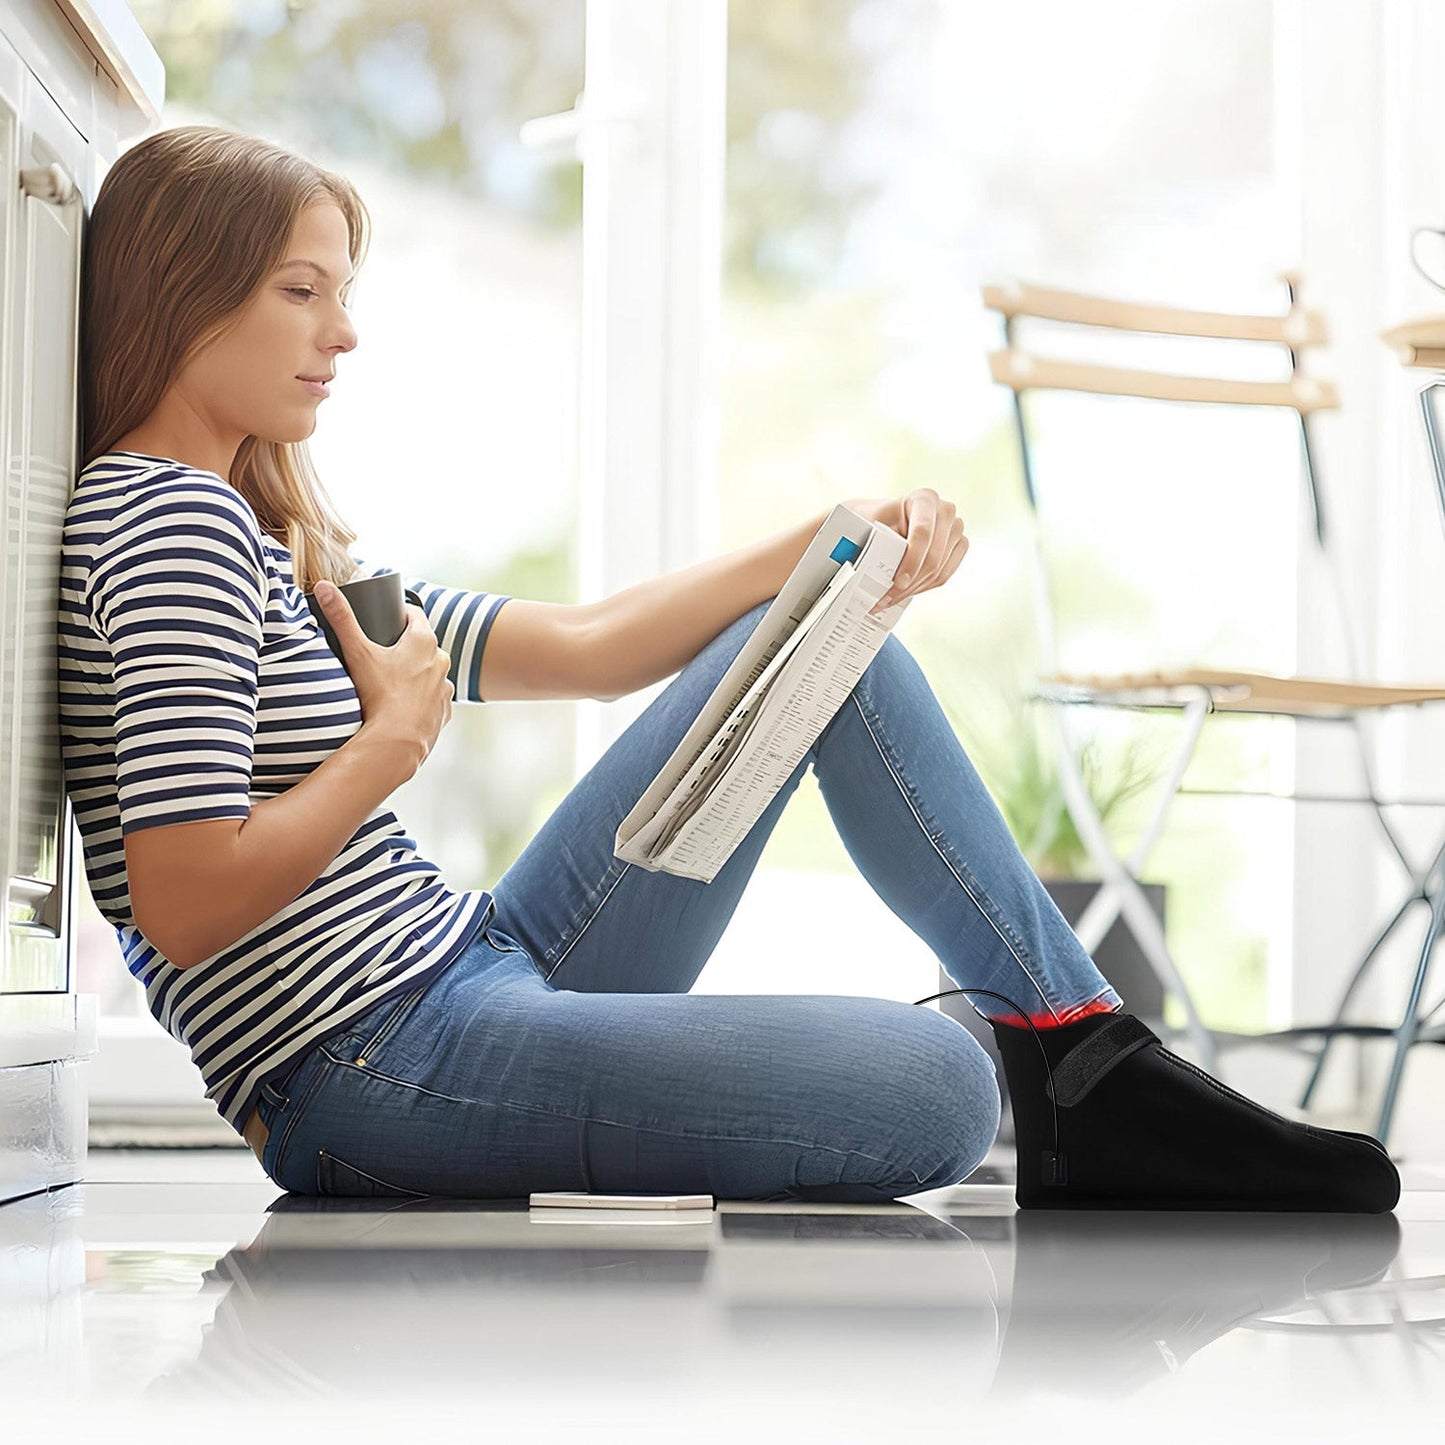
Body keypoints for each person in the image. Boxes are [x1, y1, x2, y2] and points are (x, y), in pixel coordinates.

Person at [61, 123, 1399, 1211]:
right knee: (938, 1088)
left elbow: (584, 650)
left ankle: (1084, 1051)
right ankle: (1075, 1079)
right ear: (183, 293)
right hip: (363, 1064)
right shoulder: (166, 522)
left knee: (837, 657)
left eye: (343, 295)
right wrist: (384, 753)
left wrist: (829, 548)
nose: (341, 333)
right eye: (303, 291)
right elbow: (183, 903)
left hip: (472, 963)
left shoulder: (268, 534)